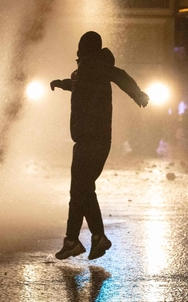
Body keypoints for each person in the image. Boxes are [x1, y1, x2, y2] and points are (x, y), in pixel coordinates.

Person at [50, 31, 149, 260]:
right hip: (90, 139)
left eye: (81, 46)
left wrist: (137, 94)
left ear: (85, 48)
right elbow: (82, 85)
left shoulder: (94, 65)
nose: (77, 51)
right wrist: (63, 84)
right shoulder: (90, 69)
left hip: (91, 139)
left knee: (81, 190)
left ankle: (85, 239)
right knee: (81, 190)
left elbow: (119, 75)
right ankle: (77, 240)